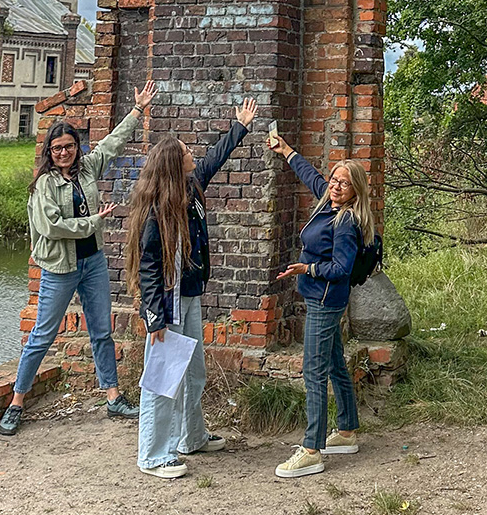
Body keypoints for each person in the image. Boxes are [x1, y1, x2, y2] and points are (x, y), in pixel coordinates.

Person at [0, 81, 157, 436]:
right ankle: (16, 402)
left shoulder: (87, 169)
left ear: (77, 147)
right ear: (49, 152)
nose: (64, 153)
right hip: (60, 268)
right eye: (57, 149)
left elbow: (113, 144)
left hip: (92, 263)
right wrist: (94, 222)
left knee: (102, 331)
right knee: (42, 335)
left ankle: (113, 397)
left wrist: (138, 109)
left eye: (69, 146)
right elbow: (52, 227)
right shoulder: (44, 185)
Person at [126, 99, 258, 479]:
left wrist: (240, 128)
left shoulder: (190, 187)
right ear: (173, 162)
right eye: (185, 151)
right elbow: (149, 267)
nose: (192, 154)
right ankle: (153, 455)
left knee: (194, 371)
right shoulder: (157, 211)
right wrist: (154, 320)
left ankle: (190, 436)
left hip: (189, 295)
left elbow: (213, 160)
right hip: (167, 304)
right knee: (163, 380)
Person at [267, 132, 375, 478]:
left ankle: (312, 449)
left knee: (313, 374)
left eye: (345, 183)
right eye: (335, 179)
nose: (336, 186)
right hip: (321, 299)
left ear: (356, 191)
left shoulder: (345, 223)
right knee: (334, 366)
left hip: (325, 301)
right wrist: (286, 151)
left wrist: (308, 268)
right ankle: (346, 430)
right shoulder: (326, 203)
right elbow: (311, 176)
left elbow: (341, 270)